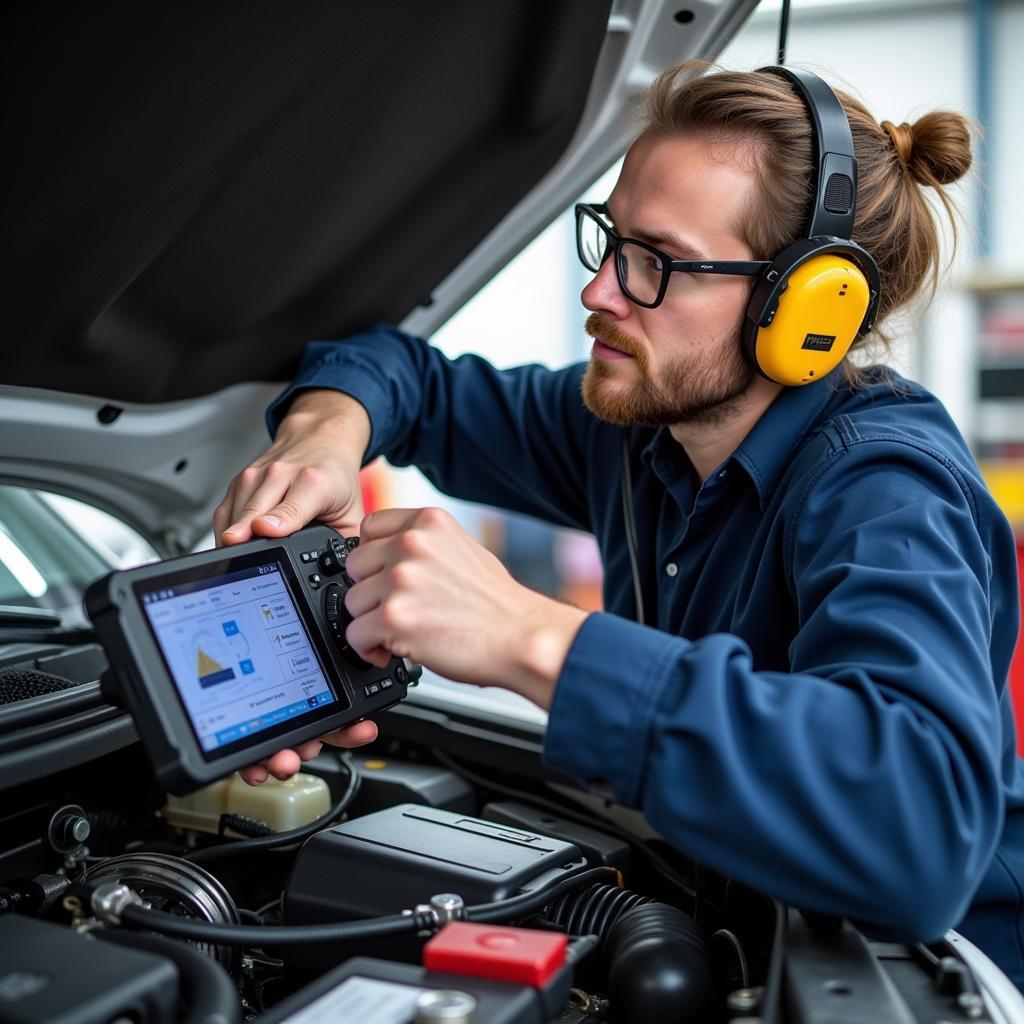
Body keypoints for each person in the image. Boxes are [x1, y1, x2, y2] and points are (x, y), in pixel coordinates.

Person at [215, 63, 1024, 984]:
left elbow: (918, 834)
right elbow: (409, 378)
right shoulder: (637, 429)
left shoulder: (886, 488)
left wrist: (524, 633)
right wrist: (326, 435)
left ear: (807, 310)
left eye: (655, 261)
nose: (601, 291)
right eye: (607, 239)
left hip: (928, 976)